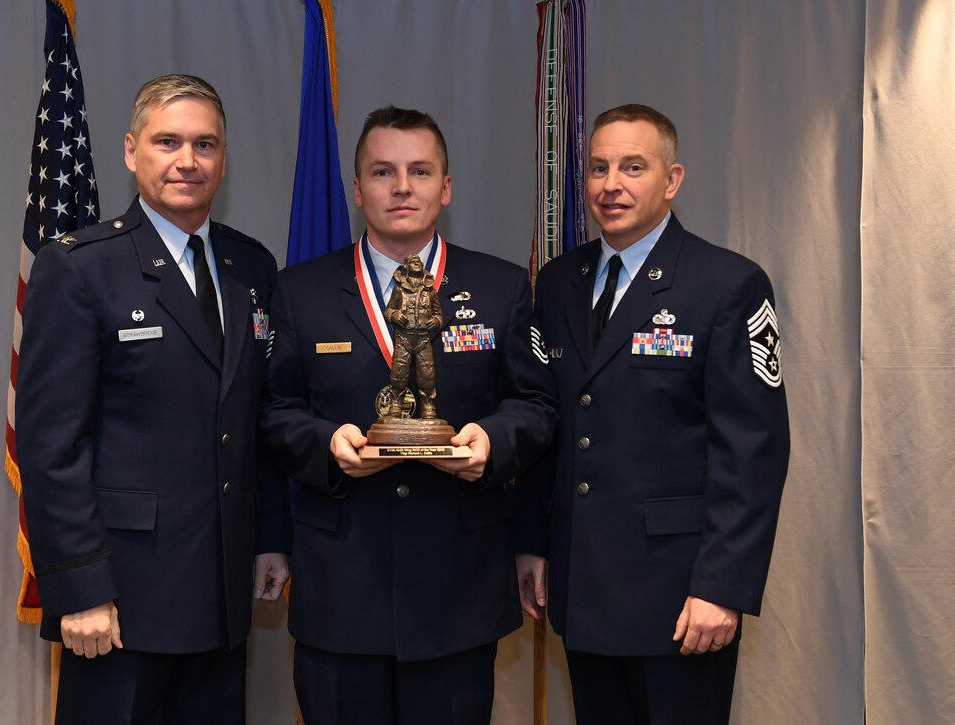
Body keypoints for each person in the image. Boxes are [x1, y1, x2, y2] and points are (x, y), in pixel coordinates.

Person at [261, 105, 556, 725]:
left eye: (420, 171)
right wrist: (326, 445)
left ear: (445, 188)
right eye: (383, 172)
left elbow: (535, 406)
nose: (401, 187)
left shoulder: (501, 287)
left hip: (457, 592)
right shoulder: (301, 290)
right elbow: (274, 411)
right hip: (343, 588)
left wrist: (490, 444)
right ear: (357, 190)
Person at [15, 74, 290, 724]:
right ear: (131, 150)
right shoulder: (80, 267)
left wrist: (270, 537)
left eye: (204, 144)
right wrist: (80, 586)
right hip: (119, 603)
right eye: (168, 142)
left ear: (223, 159)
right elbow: (51, 446)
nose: (187, 160)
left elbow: (257, 418)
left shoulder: (251, 267)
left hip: (222, 597)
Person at [522, 103, 790, 724]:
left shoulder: (726, 285)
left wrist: (721, 587)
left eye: (632, 167)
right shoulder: (558, 283)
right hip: (582, 588)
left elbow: (752, 453)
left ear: (672, 181)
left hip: (680, 597)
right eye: (598, 168)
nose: (610, 184)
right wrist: (532, 541)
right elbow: (548, 422)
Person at [384, 254, 443, 417]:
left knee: (427, 374)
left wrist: (436, 321)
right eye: (413, 262)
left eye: (418, 261)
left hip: (423, 339)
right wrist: (394, 315)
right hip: (403, 338)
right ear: (407, 267)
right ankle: (396, 403)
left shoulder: (430, 291)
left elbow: (438, 313)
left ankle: (428, 405)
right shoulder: (399, 290)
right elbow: (388, 310)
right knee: (399, 372)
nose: (417, 263)